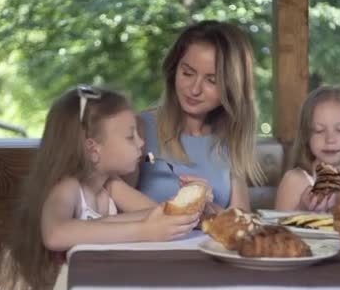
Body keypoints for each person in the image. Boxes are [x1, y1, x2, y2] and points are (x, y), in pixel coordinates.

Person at [0, 86, 200, 290]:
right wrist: (144, 230)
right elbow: (55, 234)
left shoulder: (110, 185)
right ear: (93, 149)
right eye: (130, 136)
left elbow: (155, 212)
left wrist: (190, 199)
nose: (141, 143)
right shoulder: (67, 187)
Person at [109, 20, 265, 212]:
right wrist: (187, 209)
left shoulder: (230, 139)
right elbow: (114, 207)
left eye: (212, 80)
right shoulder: (139, 128)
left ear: (232, 87)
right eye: (187, 73)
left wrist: (206, 208)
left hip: (207, 243)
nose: (195, 89)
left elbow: (240, 219)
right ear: (173, 70)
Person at [275, 85, 340, 212]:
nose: (330, 139)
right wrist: (302, 207)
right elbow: (279, 228)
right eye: (319, 130)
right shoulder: (295, 181)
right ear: (306, 134)